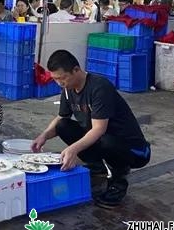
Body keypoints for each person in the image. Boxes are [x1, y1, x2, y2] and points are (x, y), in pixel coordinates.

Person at [31, 50, 151, 208]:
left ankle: (118, 183)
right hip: (103, 141)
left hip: (133, 150)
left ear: (76, 70)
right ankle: (96, 167)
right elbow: (62, 117)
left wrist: (73, 150)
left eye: (62, 78)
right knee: (63, 126)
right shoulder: (68, 90)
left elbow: (99, 129)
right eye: (55, 79)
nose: (60, 83)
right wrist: (44, 136)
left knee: (106, 139)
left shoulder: (99, 87)